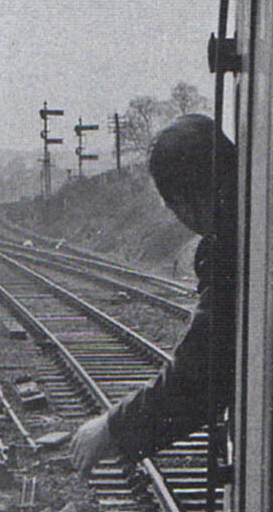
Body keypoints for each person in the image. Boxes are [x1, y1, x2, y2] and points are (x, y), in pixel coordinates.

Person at [70, 114, 237, 477]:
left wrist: (112, 428)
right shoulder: (245, 227)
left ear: (184, 201)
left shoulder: (233, 251)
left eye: (174, 207)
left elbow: (203, 374)